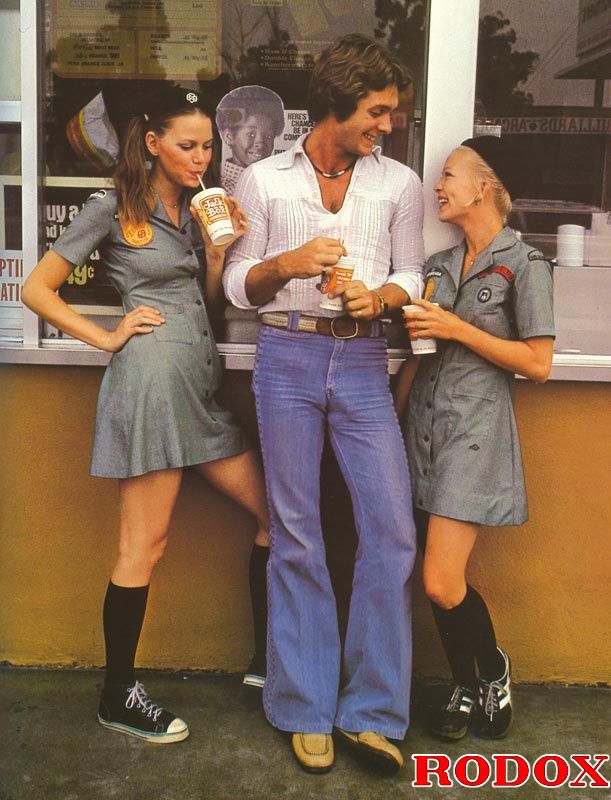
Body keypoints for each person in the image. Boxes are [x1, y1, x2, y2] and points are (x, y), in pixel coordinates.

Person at [22, 86, 270, 744]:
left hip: (201, 393)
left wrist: (216, 255)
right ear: (153, 144)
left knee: (279, 515)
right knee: (144, 547)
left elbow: (209, 305)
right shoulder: (112, 206)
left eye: (208, 146)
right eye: (187, 145)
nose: (201, 157)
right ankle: (118, 693)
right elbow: (36, 290)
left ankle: (267, 663)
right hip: (152, 391)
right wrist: (105, 337)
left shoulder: (197, 209)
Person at [223, 34, 424, 774]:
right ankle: (303, 704)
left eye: (391, 113)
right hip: (287, 356)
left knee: (392, 532)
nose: (387, 124)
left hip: (364, 360)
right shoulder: (263, 179)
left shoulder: (398, 183)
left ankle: (371, 711)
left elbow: (412, 273)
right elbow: (236, 282)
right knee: (297, 532)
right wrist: (286, 263)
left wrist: (383, 297)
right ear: (338, 105)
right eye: (377, 111)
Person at [398, 135, 555, 742]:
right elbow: (418, 355)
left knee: (440, 579)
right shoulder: (438, 267)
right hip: (420, 430)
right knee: (432, 577)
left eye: (449, 175)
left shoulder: (525, 264)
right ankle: (464, 684)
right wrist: (390, 421)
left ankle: (491, 671)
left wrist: (458, 328)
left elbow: (537, 362)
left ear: (483, 187)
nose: (438, 186)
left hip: (474, 434)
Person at [216, 85, 285, 194]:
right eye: (251, 134)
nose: (260, 144)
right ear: (229, 136)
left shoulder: (275, 184)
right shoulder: (221, 192)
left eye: (268, 136)